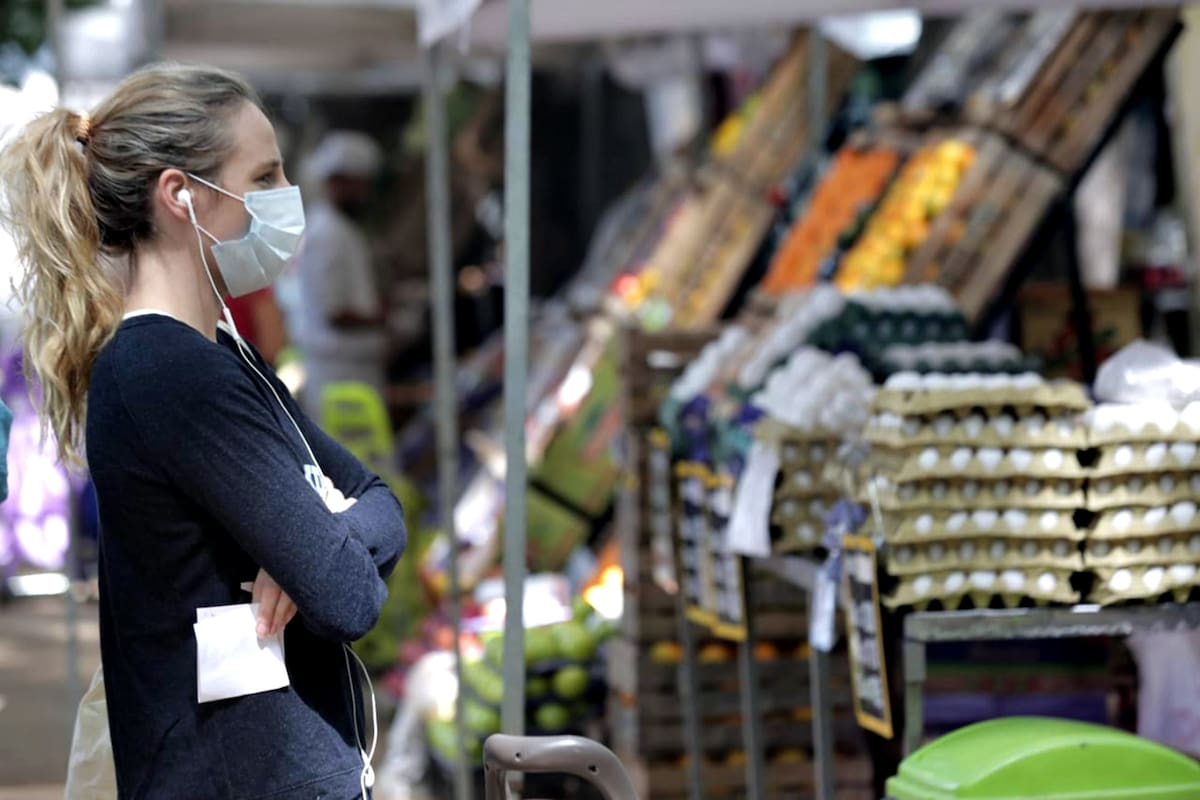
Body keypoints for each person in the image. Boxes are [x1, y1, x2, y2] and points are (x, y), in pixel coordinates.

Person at [0, 63, 406, 798]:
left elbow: (379, 499)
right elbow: (349, 596)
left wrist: (317, 542)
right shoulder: (168, 372)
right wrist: (321, 546)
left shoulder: (219, 352)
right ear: (180, 195)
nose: (286, 199)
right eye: (264, 176)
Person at [292, 130, 388, 418]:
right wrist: (381, 318)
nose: (364, 194)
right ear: (338, 182)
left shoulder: (340, 228)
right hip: (338, 374)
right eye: (359, 184)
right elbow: (333, 312)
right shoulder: (327, 233)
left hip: (353, 371)